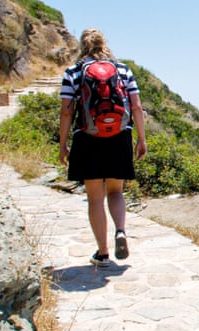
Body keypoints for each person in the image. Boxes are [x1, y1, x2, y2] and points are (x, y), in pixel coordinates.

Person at [59, 28, 147, 267]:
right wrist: (141, 139)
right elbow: (136, 107)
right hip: (119, 137)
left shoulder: (73, 72)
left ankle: (103, 252)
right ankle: (121, 230)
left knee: (95, 198)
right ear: (104, 44)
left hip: (87, 138)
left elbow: (67, 112)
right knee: (116, 192)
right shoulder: (122, 70)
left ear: (82, 46)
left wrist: (63, 144)